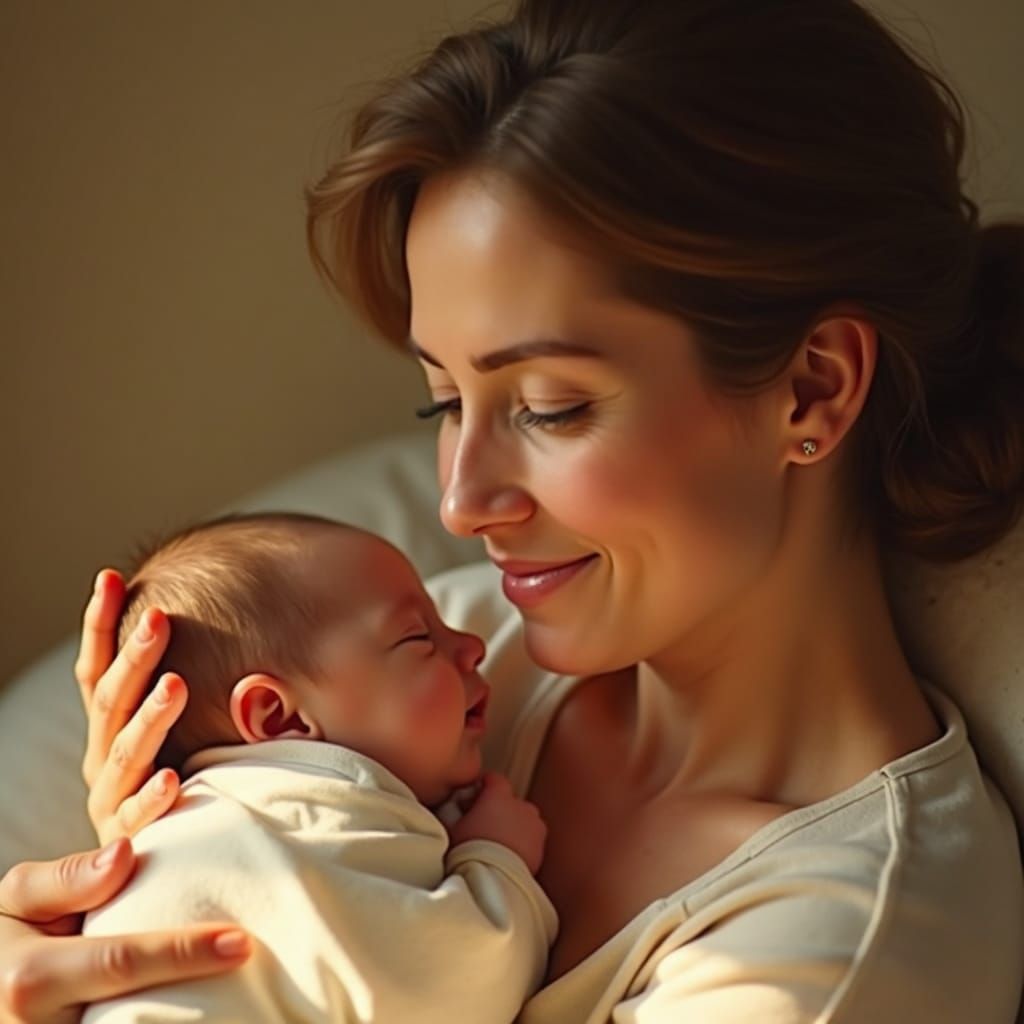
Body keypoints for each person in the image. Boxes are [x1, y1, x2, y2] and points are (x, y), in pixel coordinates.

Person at [3, 0, 1024, 1020]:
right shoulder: (458, 650)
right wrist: (171, 847)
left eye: (550, 406)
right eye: (443, 400)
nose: (458, 502)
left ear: (812, 387)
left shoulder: (839, 950)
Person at [80, 510, 556, 1023]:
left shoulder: (219, 818)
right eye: (418, 637)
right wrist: (495, 862)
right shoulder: (309, 815)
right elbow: (445, 988)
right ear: (279, 717)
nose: (472, 645)